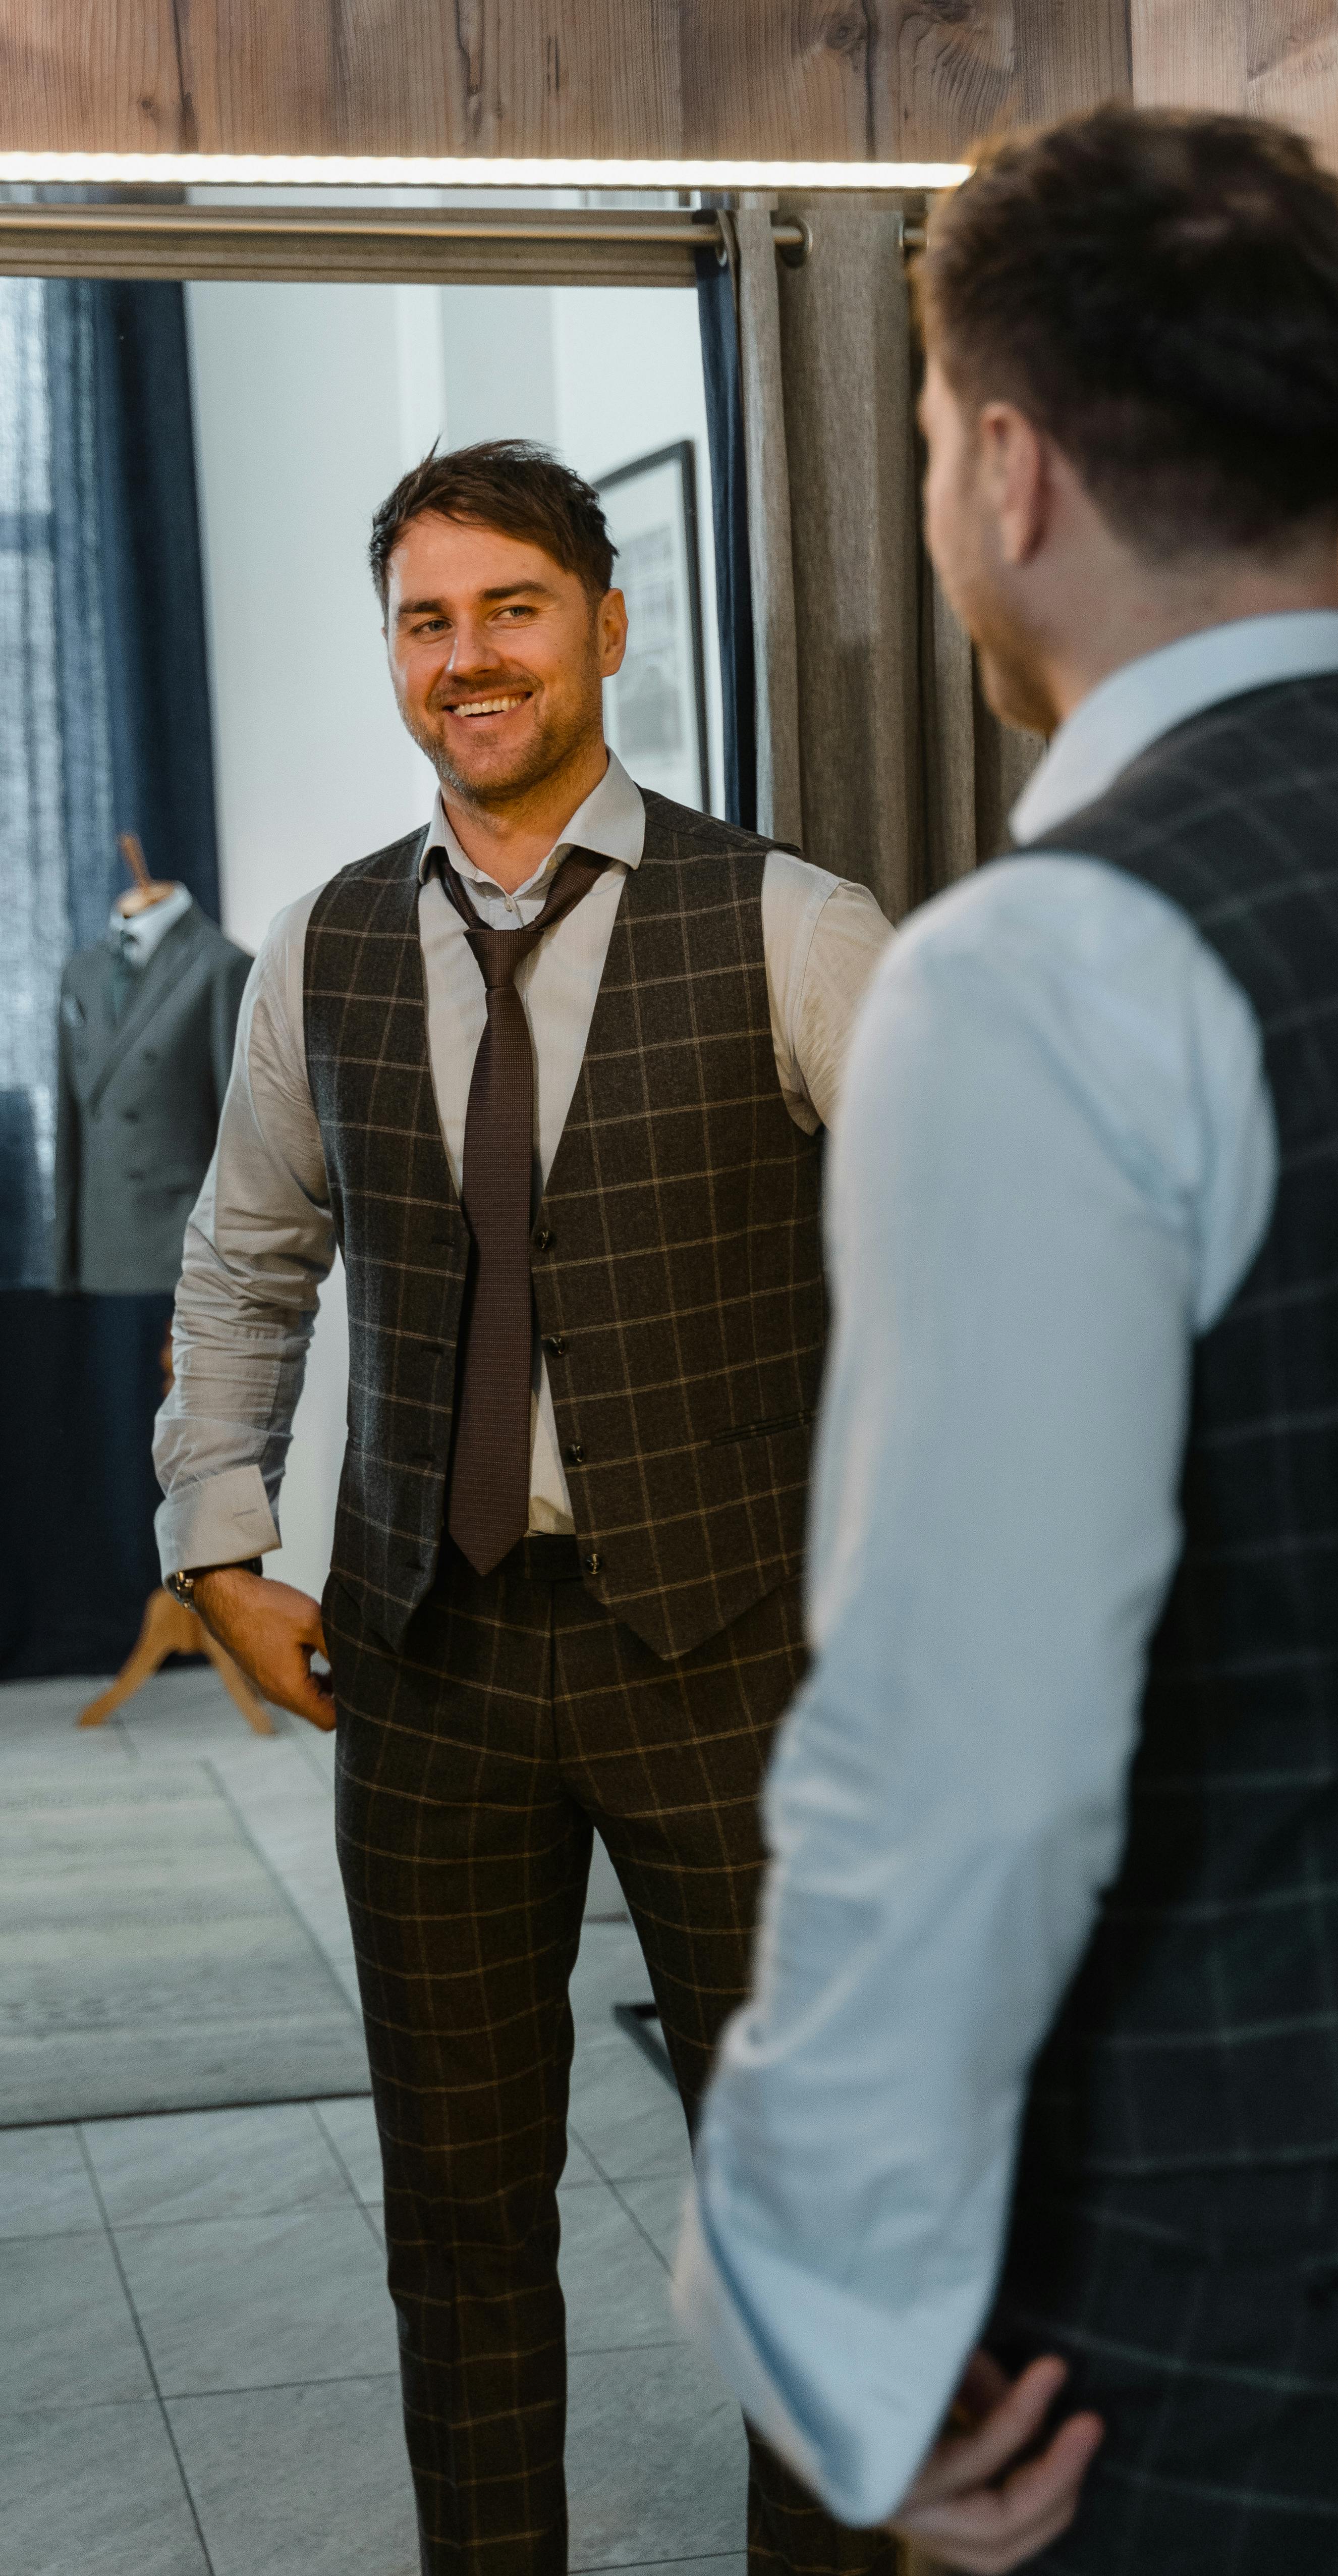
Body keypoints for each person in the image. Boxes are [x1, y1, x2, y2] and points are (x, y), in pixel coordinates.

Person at [676, 106, 1338, 2575]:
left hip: (1232, 2218)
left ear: (1006, 466)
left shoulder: (1036, 975)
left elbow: (964, 1753)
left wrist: (832, 2312)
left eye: (932, 440)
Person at [153, 439, 896, 2576]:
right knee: (459, 2211)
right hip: (428, 1656)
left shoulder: (790, 922)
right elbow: (246, 1252)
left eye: (509, 609)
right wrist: (218, 1534)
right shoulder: (328, 948)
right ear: (393, 652)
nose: (465, 657)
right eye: (424, 617)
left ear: (604, 629)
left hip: (740, 1653)